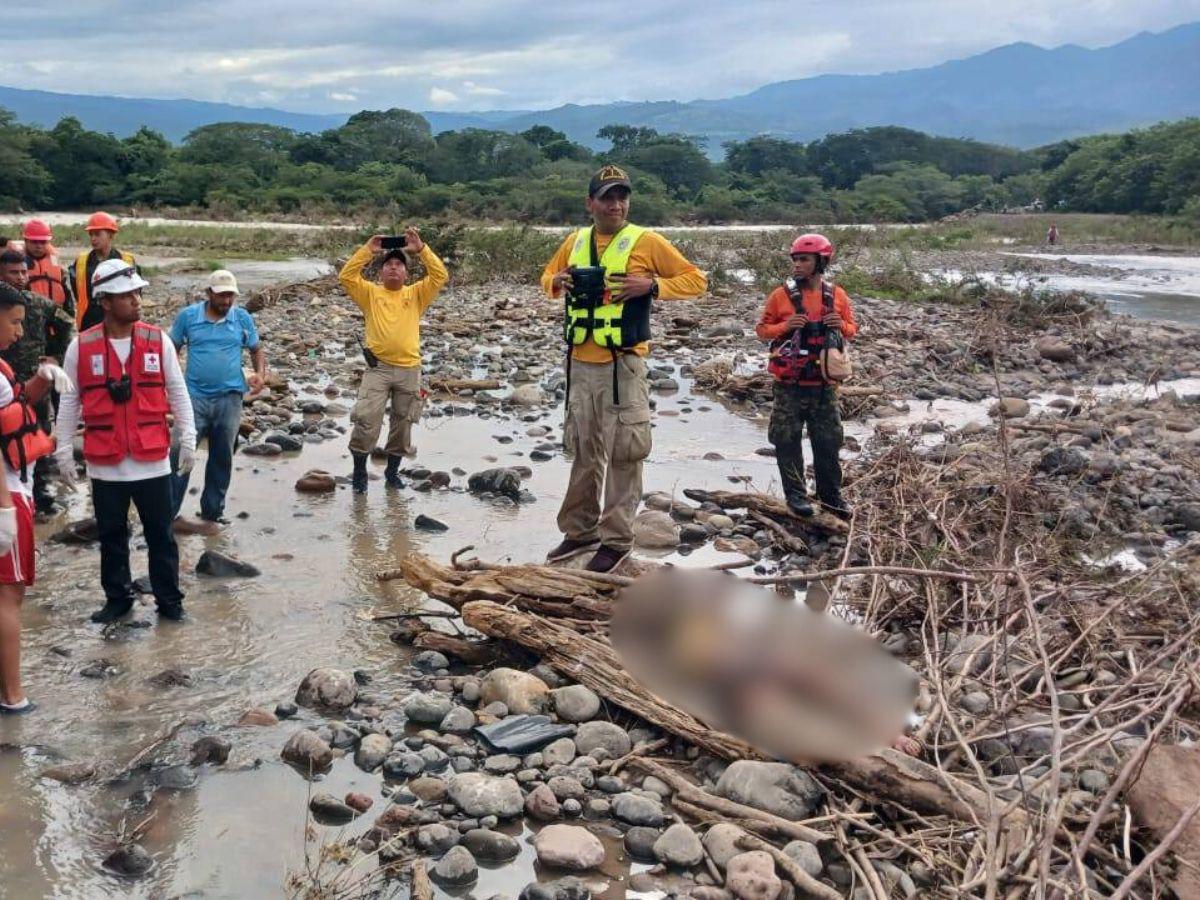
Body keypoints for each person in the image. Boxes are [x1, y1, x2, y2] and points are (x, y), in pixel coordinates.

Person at [540, 165, 706, 573]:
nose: (616, 204)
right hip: (580, 363)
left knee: (624, 454)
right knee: (583, 450)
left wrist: (651, 287)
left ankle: (615, 542)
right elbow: (547, 277)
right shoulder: (575, 241)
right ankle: (579, 531)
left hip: (623, 365)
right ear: (590, 203)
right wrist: (558, 280)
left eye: (622, 197)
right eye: (607, 197)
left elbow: (696, 280)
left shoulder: (646, 241)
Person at [54, 260, 196, 623]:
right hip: (106, 463)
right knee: (112, 537)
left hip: (152, 459)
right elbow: (69, 400)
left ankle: (170, 602)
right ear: (105, 301)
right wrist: (63, 451)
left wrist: (189, 438)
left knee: (161, 537)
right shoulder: (80, 347)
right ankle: (117, 599)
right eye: (127, 295)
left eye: (137, 292)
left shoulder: (156, 339)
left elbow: (177, 391)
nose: (137, 300)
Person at [339, 227, 448, 494]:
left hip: (410, 369)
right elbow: (346, 276)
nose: (393, 268)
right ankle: (359, 473)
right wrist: (368, 250)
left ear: (406, 274)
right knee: (366, 420)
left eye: (399, 265)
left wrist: (421, 249)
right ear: (380, 272)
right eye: (388, 264)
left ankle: (392, 472)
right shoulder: (370, 294)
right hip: (378, 369)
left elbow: (440, 275)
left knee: (403, 424)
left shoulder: (416, 294)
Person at [756, 234, 857, 519]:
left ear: (820, 262)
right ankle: (796, 496)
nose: (797, 265)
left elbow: (851, 329)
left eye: (804, 260)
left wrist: (842, 325)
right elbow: (762, 331)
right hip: (789, 385)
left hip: (824, 386)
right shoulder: (780, 296)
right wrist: (786, 326)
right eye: (795, 259)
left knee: (827, 441)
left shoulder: (837, 295)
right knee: (786, 440)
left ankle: (831, 496)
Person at [0, 283, 63, 715]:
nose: (21, 332)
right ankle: (13, 695)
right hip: (8, 493)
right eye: (15, 321)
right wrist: (4, 506)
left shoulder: (2, 369)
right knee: (9, 597)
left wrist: (42, 382)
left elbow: (14, 408)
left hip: (13, 488)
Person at [167, 269, 266, 524]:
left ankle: (213, 511)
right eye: (221, 296)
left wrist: (260, 374)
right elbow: (170, 349)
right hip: (193, 399)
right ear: (209, 293)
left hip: (230, 399)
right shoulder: (188, 317)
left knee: (222, 456)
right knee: (180, 452)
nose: (226, 301)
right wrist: (172, 381)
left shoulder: (242, 318)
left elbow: (256, 350)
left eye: (230, 296)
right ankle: (167, 512)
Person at [0, 250, 75, 514]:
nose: (20, 277)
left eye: (24, 272)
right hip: (10, 385)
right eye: (13, 272)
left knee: (35, 436)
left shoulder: (37, 303)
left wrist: (54, 358)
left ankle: (39, 495)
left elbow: (68, 324)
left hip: (28, 385)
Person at [68, 212, 137, 332]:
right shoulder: (81, 262)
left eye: (97, 234)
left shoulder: (127, 261)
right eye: (91, 234)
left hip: (120, 321)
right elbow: (77, 292)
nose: (93, 238)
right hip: (89, 322)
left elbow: (136, 294)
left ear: (110, 235)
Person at [22, 219, 75, 314]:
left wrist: (70, 314)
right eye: (34, 241)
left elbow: (65, 290)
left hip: (55, 316)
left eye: (42, 242)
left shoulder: (54, 260)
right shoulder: (18, 263)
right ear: (26, 241)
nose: (38, 246)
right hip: (29, 317)